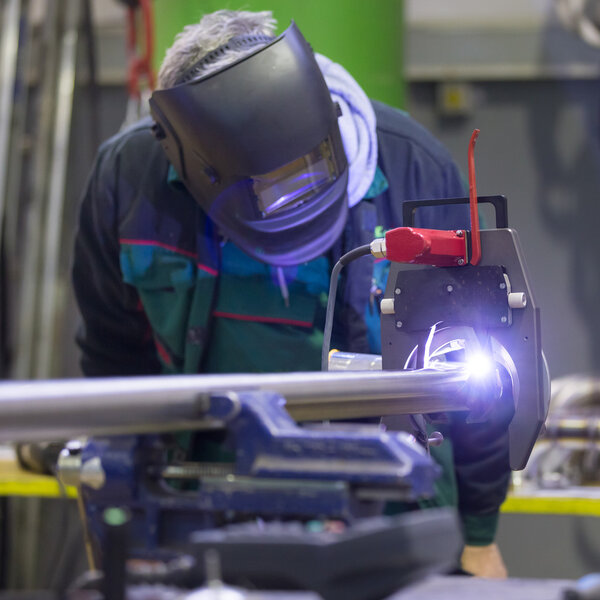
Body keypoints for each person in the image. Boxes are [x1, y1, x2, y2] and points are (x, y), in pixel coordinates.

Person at [72, 9, 510, 578]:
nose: (285, 199)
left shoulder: (413, 169)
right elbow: (113, 361)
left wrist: (478, 534)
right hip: (198, 517)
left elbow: (480, 372)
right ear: (186, 153)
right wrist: (120, 522)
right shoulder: (128, 179)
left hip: (394, 520)